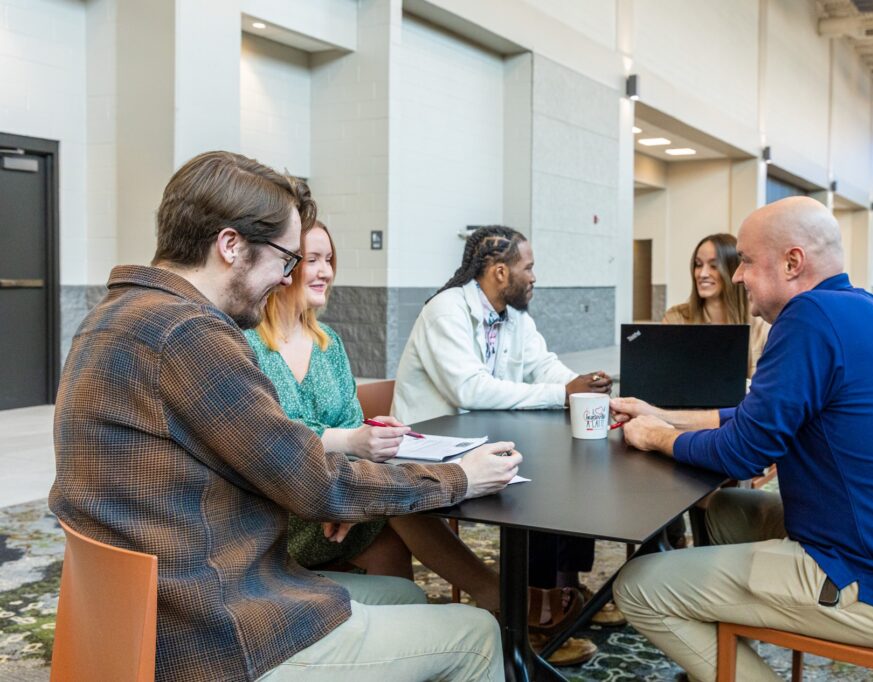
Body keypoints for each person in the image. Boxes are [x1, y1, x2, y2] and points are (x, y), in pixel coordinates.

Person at [49, 151, 522, 682]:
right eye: (286, 258)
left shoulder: (110, 317)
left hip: (150, 611)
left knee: (401, 593)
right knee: (476, 635)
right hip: (216, 629)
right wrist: (462, 476)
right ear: (230, 246)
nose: (287, 278)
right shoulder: (190, 336)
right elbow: (315, 485)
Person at [609, 196, 873, 682]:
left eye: (744, 259)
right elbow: (753, 416)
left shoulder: (807, 318)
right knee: (723, 510)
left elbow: (745, 450)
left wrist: (657, 437)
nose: (737, 275)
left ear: (792, 262)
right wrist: (665, 416)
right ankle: (722, 661)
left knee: (637, 586)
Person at [244, 220, 500, 612]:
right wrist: (351, 450)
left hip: (337, 497)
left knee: (392, 495)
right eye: (312, 259)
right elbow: (269, 436)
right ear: (282, 266)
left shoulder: (329, 343)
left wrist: (371, 434)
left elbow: (348, 423)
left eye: (329, 260)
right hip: (280, 511)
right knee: (395, 496)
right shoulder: (245, 343)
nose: (325, 271)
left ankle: (481, 598)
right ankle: (493, 592)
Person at [392, 225, 617, 665]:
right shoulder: (446, 310)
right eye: (527, 267)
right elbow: (470, 391)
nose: (534, 276)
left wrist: (581, 385)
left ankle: (556, 599)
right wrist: (562, 394)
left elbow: (542, 366)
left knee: (565, 475)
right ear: (499, 271)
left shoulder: (514, 317)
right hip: (433, 445)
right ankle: (526, 620)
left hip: (482, 437)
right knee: (535, 491)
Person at [661, 232, 769, 378]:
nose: (702, 273)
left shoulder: (763, 325)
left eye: (714, 266)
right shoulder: (675, 318)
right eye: (698, 265)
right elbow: (664, 377)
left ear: (734, 270)